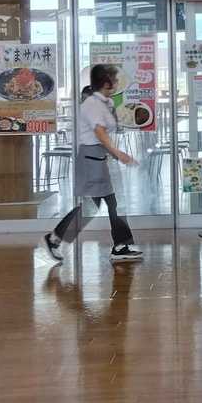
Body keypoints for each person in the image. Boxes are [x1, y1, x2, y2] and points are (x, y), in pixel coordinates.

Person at [44, 64, 142, 263]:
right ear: (106, 83)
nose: (117, 83)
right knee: (95, 206)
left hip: (99, 158)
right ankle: (55, 238)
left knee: (110, 204)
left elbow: (106, 130)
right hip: (91, 160)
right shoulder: (92, 105)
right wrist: (118, 153)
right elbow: (99, 133)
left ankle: (120, 245)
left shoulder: (105, 103)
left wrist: (114, 153)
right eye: (115, 79)